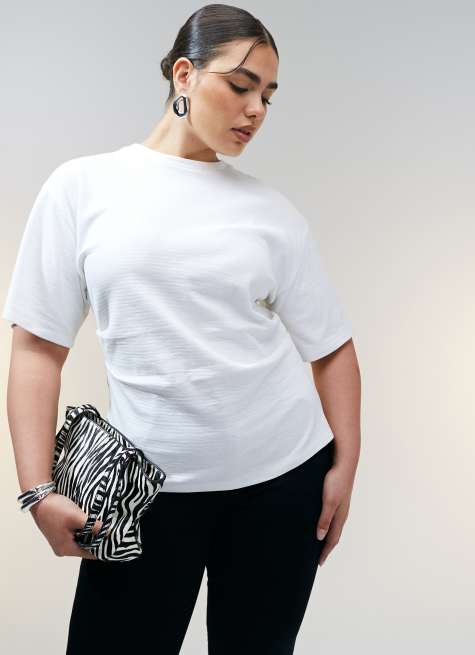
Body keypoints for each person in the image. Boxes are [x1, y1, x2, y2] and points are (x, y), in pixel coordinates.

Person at [3, 4, 361, 654]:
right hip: (141, 495)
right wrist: (36, 489)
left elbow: (331, 347)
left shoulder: (271, 213)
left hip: (283, 483)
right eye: (241, 85)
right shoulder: (82, 187)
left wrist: (344, 465)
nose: (255, 110)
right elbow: (36, 349)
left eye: (267, 96)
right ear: (184, 74)